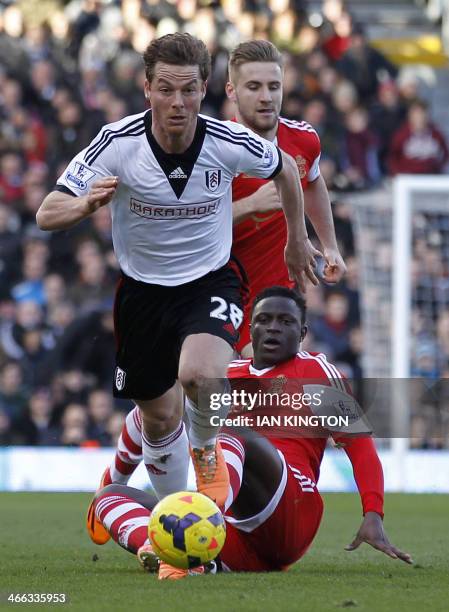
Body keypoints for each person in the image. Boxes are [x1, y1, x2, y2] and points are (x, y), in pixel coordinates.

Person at [35, 34, 320, 541]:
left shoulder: (226, 142)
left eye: (189, 90)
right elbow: (46, 212)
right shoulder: (116, 144)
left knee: (201, 374)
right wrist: (83, 206)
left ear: (205, 89)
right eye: (166, 89)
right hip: (142, 294)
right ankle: (178, 532)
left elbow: (287, 173)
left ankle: (207, 455)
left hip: (210, 280)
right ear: (147, 88)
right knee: (160, 418)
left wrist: (297, 243)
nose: (178, 102)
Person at [91, 286, 412, 579]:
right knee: (110, 498)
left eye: (285, 321)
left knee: (232, 433)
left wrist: (373, 512)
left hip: (291, 510)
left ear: (301, 333)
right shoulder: (225, 374)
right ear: (250, 327)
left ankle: (190, 534)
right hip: (236, 533)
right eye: (264, 319)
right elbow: (149, 417)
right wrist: (115, 478)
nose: (273, 327)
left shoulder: (317, 372)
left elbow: (360, 445)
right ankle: (179, 551)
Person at [226, 40, 346, 356]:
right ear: (231, 91)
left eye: (273, 86)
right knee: (199, 389)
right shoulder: (213, 150)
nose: (266, 97)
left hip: (273, 294)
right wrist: (250, 206)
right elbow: (191, 223)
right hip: (217, 286)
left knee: (270, 389)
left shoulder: (304, 139)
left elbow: (313, 183)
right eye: (253, 86)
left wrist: (329, 244)